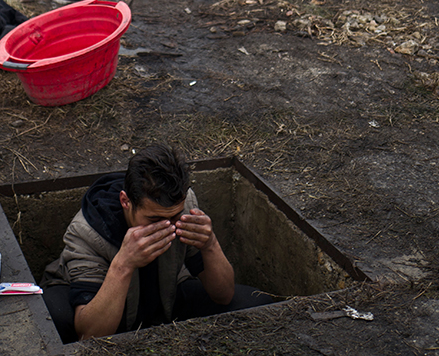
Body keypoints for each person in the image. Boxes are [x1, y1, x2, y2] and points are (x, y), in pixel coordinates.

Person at [42, 144, 271, 341]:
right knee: (50, 322)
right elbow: (90, 336)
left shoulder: (183, 206)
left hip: (166, 295)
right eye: (154, 220)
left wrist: (209, 244)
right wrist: (123, 264)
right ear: (126, 201)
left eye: (174, 216)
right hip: (99, 302)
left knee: (258, 304)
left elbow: (224, 296)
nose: (168, 226)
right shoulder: (87, 232)